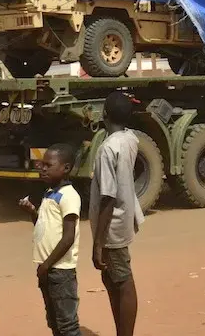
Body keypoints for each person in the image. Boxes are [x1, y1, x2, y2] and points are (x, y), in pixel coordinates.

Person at [89, 91, 145, 336]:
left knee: (122, 282)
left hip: (111, 227)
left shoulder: (107, 149)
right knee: (113, 280)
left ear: (105, 114)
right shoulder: (129, 138)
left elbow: (108, 197)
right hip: (123, 219)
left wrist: (98, 243)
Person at [19, 144, 82, 336]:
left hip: (60, 271)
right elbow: (44, 226)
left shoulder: (69, 196)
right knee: (54, 321)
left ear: (66, 168)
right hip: (48, 269)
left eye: (48, 164)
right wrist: (32, 212)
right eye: (42, 164)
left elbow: (68, 237)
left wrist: (47, 265)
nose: (43, 168)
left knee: (67, 324)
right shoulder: (49, 193)